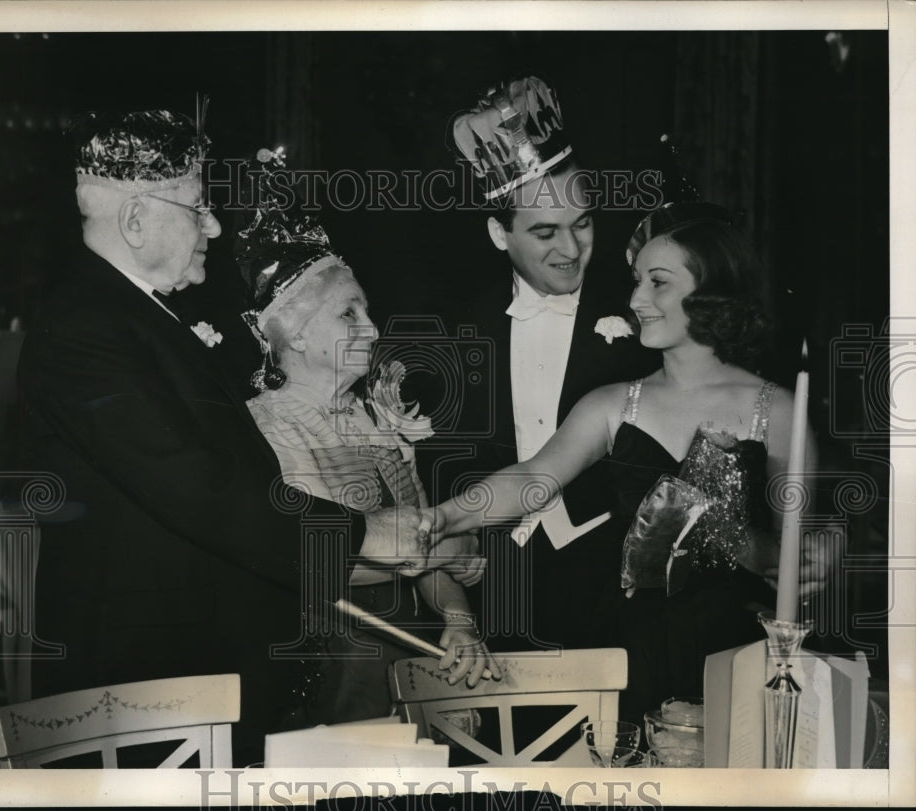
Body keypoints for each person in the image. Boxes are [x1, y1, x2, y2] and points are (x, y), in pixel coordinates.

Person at [17, 110, 442, 766]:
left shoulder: (147, 321)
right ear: (135, 220)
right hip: (138, 704)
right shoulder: (82, 331)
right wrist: (365, 535)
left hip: (194, 692)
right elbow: (205, 492)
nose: (212, 224)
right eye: (196, 205)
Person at [430, 205, 835, 725]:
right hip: (621, 648)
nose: (636, 299)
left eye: (658, 283)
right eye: (637, 281)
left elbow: (799, 550)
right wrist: (442, 519)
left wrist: (813, 555)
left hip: (731, 653)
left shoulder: (776, 411)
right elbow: (533, 479)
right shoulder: (613, 402)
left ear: (711, 290)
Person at [236, 147, 496, 724]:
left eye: (367, 311)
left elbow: (421, 537)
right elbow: (316, 558)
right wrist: (443, 547)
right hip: (326, 663)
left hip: (405, 652)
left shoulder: (374, 416)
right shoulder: (270, 422)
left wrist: (458, 623)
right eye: (348, 314)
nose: (373, 329)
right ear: (296, 336)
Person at [443, 76, 658, 650]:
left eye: (582, 224)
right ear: (498, 233)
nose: (570, 250)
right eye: (544, 232)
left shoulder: (646, 316)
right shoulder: (457, 331)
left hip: (622, 590)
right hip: (499, 590)